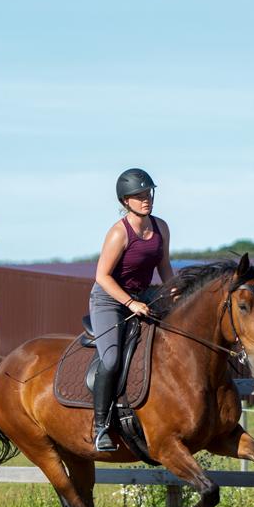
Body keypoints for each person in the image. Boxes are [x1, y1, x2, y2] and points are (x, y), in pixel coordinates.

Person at [88, 168, 175, 451]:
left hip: (144, 296)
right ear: (125, 201)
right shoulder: (118, 233)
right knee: (112, 360)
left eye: (148, 193)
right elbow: (102, 276)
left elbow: (164, 268)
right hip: (110, 300)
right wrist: (130, 303)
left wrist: (175, 294)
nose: (145, 199)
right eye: (138, 196)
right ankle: (101, 427)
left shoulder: (161, 227)